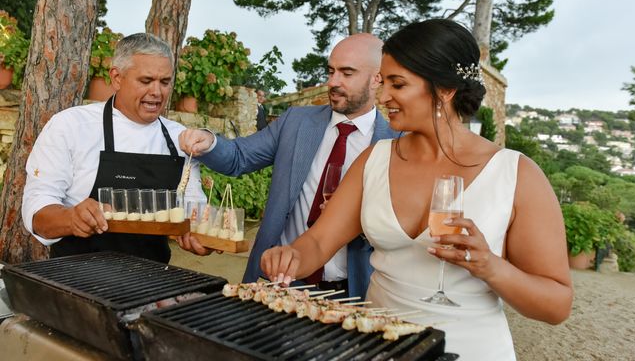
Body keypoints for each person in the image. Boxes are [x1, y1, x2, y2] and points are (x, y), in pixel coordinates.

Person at [259, 20, 573, 360]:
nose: (382, 96)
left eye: (398, 83)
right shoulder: (374, 160)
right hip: (378, 345)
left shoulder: (517, 175)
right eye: (383, 82)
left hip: (470, 350)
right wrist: (292, 256)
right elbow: (319, 242)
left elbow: (556, 305)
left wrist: (489, 266)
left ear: (445, 89)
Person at [179, 33, 398, 298]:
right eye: (330, 71)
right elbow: (240, 156)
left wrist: (362, 217)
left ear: (377, 78)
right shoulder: (296, 121)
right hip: (276, 285)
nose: (333, 82)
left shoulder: (396, 143)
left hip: (352, 292)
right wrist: (209, 142)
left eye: (346, 73)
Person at [22, 33, 212, 263]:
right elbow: (37, 210)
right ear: (117, 77)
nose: (157, 92)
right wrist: (72, 218)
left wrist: (202, 235)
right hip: (76, 278)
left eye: (165, 82)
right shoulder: (71, 126)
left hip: (150, 279)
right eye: (146, 80)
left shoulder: (179, 138)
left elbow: (194, 208)